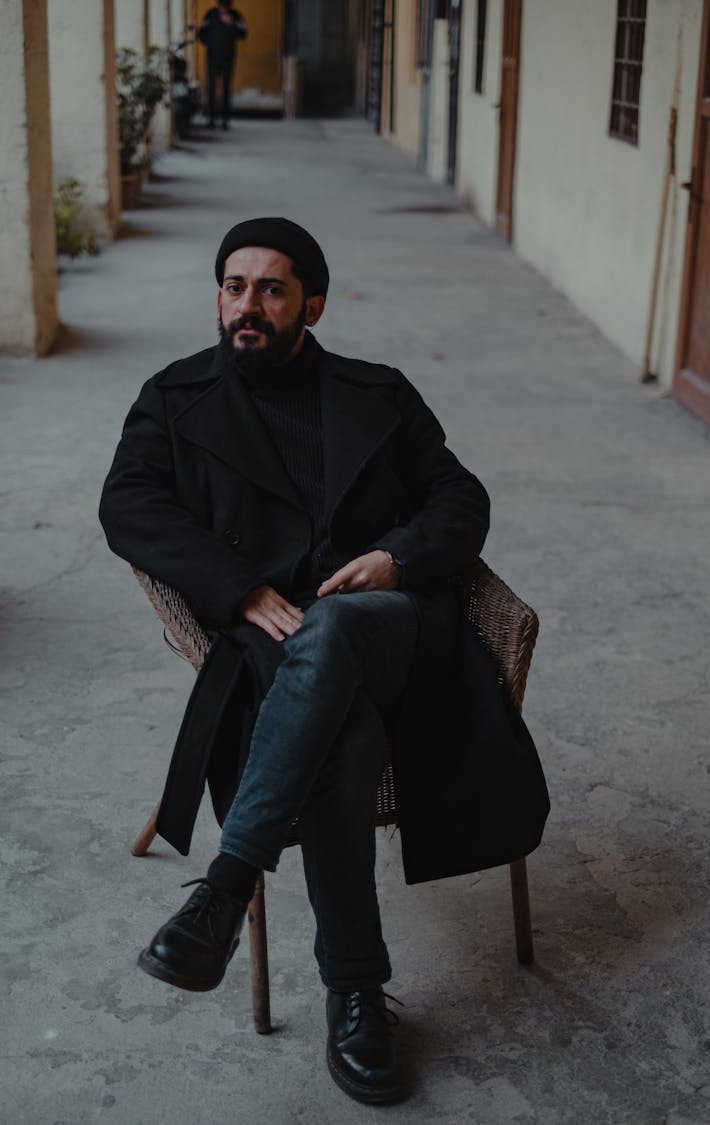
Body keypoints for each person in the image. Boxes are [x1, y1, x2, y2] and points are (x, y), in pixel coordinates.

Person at [99, 217, 549, 1104]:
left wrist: (397, 561)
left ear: (313, 304)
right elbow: (129, 506)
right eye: (234, 286)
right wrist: (236, 587)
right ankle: (355, 991)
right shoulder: (174, 397)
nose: (247, 306)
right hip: (270, 651)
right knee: (340, 742)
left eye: (271, 289)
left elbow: (461, 495)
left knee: (337, 630)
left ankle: (224, 887)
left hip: (392, 630)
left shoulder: (377, 391)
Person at [198, 0, 246, 129]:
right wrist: (212, 44)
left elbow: (243, 34)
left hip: (228, 57)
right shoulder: (210, 14)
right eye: (221, 7)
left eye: (226, 7)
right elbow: (201, 34)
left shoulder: (235, 15)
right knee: (211, 87)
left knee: (226, 87)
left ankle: (225, 119)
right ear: (218, 5)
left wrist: (231, 24)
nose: (223, 9)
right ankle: (211, 119)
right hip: (212, 57)